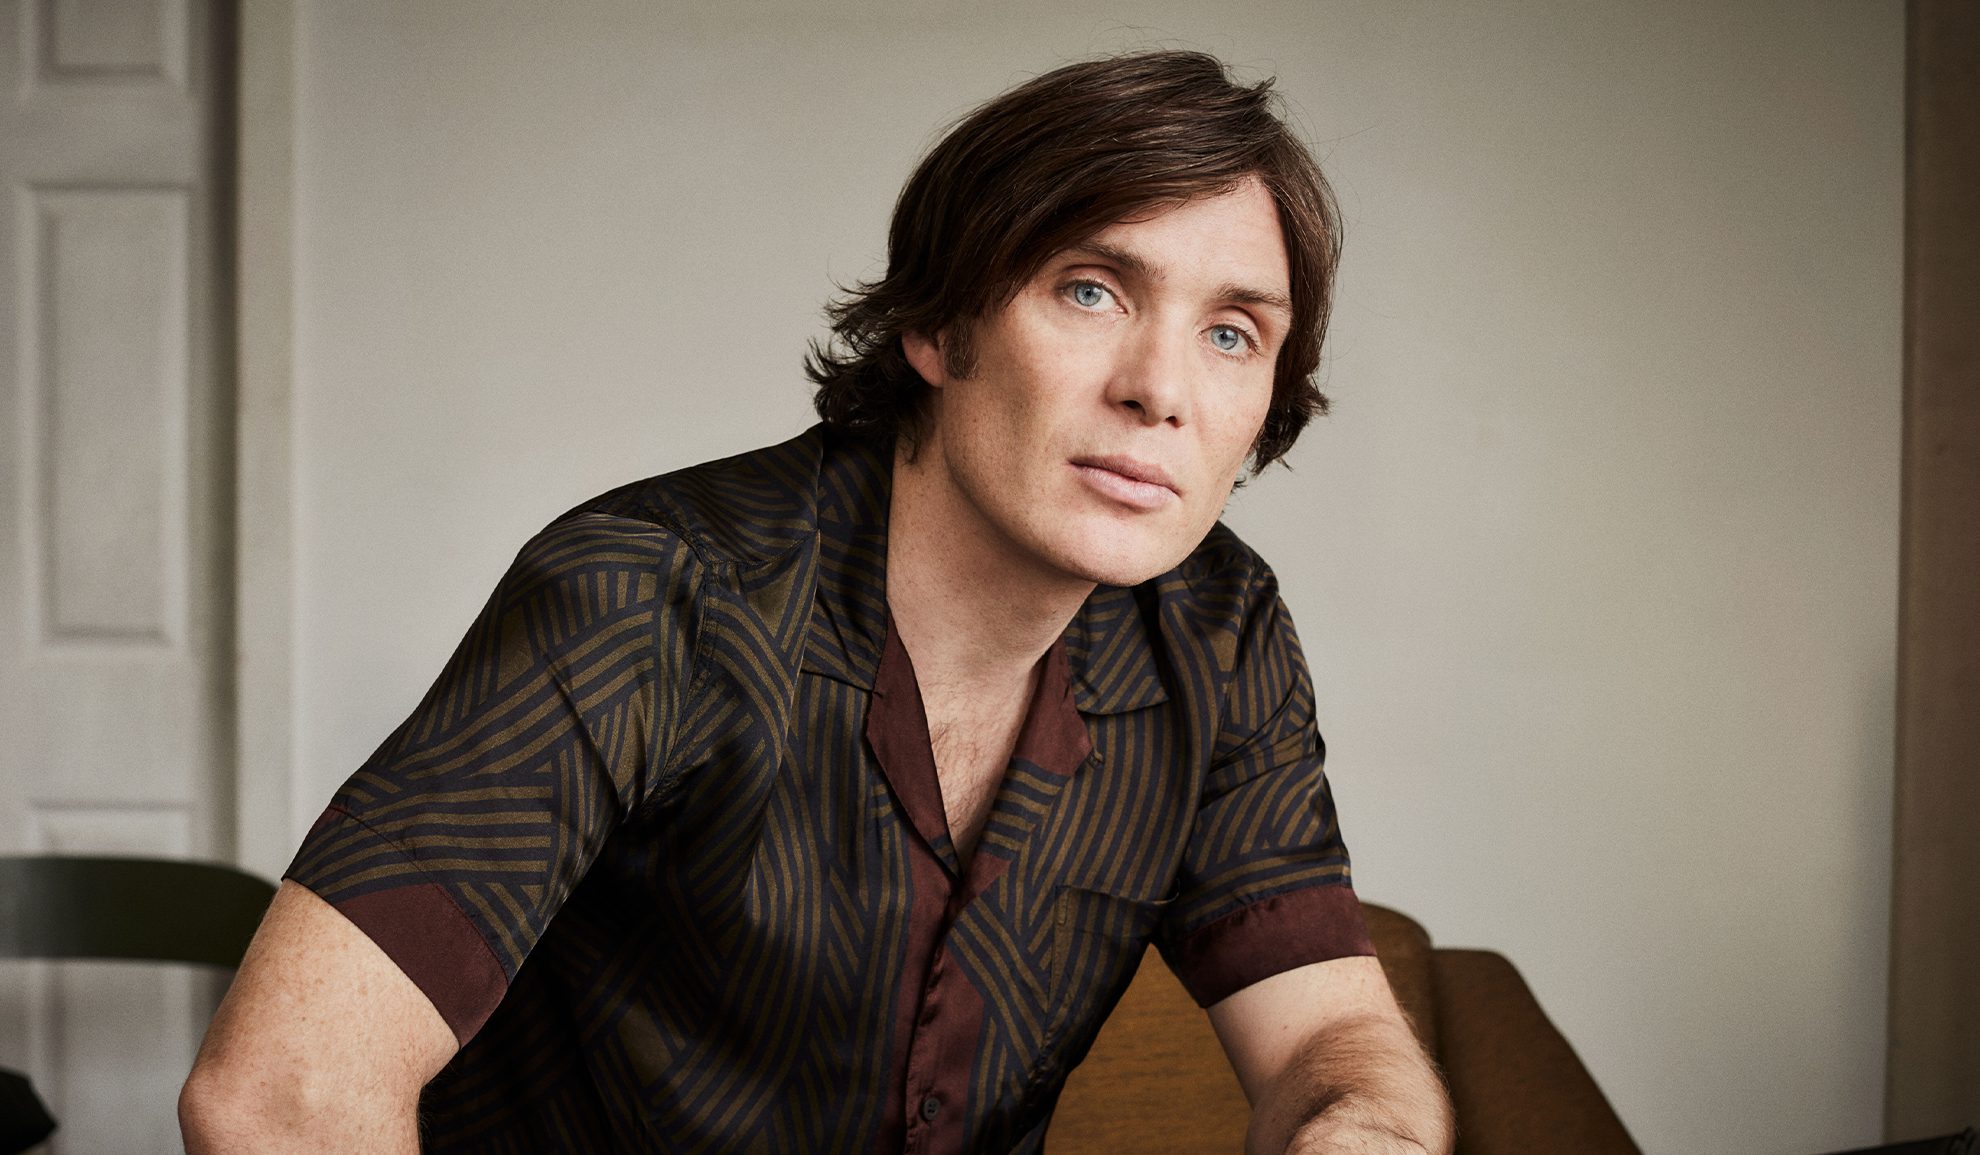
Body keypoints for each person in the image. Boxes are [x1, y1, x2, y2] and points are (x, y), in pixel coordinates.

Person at [179, 50, 1454, 1155]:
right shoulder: (647, 597)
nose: (1160, 390)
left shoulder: (1216, 630)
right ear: (939, 326)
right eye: (1090, 289)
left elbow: (1331, 1039)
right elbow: (280, 1095)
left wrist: (1357, 1128)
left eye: (1233, 333)